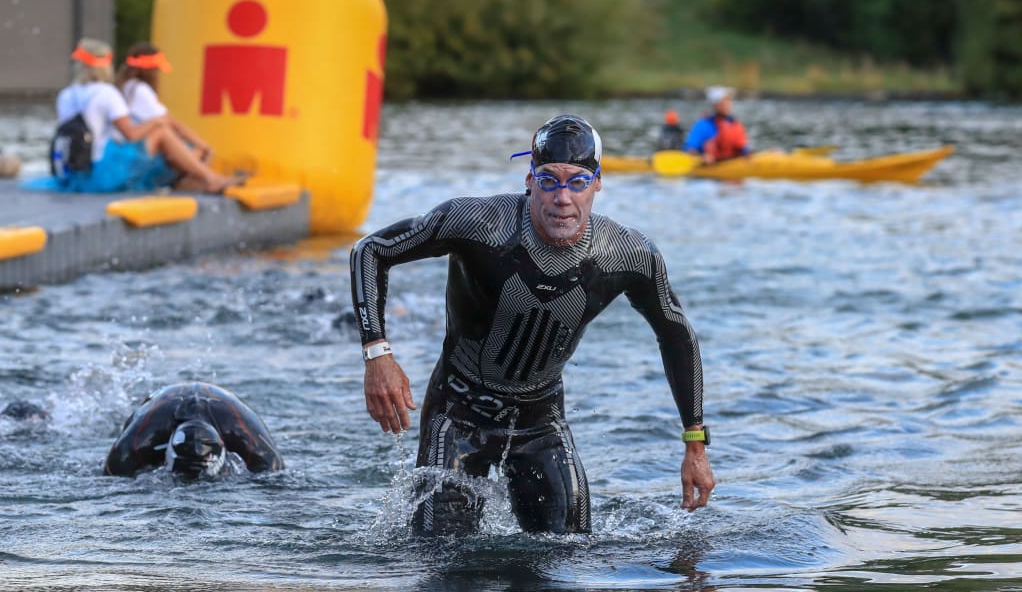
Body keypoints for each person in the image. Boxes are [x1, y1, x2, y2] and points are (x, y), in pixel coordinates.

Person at [350, 114, 715, 536]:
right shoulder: (479, 225)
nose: (562, 198)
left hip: (540, 419)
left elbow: (677, 335)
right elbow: (371, 250)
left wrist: (695, 444)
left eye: (577, 182)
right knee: (445, 565)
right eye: (549, 180)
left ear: (598, 183)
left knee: (569, 555)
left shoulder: (628, 255)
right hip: (458, 411)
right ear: (529, 180)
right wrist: (377, 353)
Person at [28, 38, 235, 194]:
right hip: (100, 173)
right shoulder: (106, 93)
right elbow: (131, 135)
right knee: (161, 132)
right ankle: (210, 178)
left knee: (161, 139)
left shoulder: (67, 94)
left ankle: (197, 178)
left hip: (75, 173)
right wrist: (156, 121)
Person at [103, 382, 284, 479]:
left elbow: (276, 479)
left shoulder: (250, 440)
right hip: (159, 406)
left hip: (227, 407)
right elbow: (110, 477)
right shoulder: (136, 442)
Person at [116, 41, 214, 166]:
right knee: (190, 148)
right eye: (156, 70)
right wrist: (204, 146)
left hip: (125, 147)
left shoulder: (126, 86)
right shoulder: (140, 90)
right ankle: (201, 178)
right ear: (150, 70)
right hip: (134, 151)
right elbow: (172, 123)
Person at [683, 86, 749, 165]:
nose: (727, 104)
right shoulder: (703, 125)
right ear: (715, 105)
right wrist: (701, 157)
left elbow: (743, 150)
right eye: (723, 101)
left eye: (728, 100)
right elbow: (689, 149)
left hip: (732, 164)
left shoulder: (735, 124)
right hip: (709, 166)